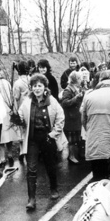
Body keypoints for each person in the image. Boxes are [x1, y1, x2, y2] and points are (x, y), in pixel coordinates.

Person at [16, 74, 67, 211]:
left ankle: (54, 188)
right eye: (34, 86)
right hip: (32, 139)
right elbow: (21, 118)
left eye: (39, 86)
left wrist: (53, 134)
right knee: (31, 168)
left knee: (50, 165)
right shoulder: (27, 101)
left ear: (45, 87)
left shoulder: (52, 101)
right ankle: (31, 199)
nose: (37, 88)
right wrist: (16, 118)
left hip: (47, 138)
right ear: (31, 88)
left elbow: (60, 118)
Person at [61, 70, 86, 164]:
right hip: (70, 118)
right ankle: (71, 156)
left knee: (78, 137)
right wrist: (76, 98)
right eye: (79, 78)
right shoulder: (68, 90)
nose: (81, 80)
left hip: (76, 117)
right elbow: (64, 103)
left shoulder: (77, 88)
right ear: (75, 79)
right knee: (71, 139)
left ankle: (80, 154)